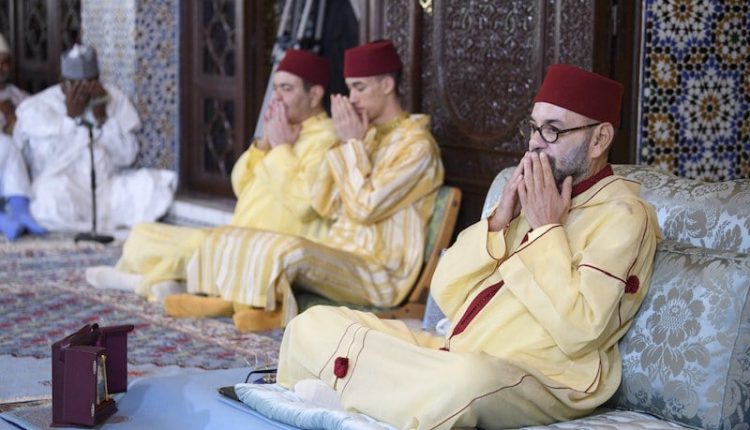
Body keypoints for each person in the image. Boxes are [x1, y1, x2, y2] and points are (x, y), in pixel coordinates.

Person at [275, 64, 662, 429]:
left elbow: (581, 330)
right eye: (533, 128)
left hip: (538, 376)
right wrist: (498, 223)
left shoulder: (624, 216)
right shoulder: (533, 191)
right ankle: (375, 398)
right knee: (309, 325)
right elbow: (446, 291)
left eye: (553, 131)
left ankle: (346, 392)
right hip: (453, 350)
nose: (535, 144)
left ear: (600, 139)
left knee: (464, 381)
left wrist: (547, 229)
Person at [165, 40, 444, 332]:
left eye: (359, 88)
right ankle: (234, 301)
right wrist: (345, 143)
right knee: (233, 235)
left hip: (380, 272)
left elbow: (365, 207)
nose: (352, 98)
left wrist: (351, 145)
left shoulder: (417, 147)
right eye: (349, 88)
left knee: (286, 248)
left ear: (386, 85)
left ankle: (270, 309)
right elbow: (324, 203)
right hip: (341, 252)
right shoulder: (367, 135)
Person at [85, 49, 338, 301]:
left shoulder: (327, 139)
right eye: (275, 88)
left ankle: (141, 283)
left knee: (192, 247)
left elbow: (306, 203)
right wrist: (264, 146)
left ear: (315, 94)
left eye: (287, 89)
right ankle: (176, 283)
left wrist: (282, 149)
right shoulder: (282, 130)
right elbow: (240, 185)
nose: (277, 98)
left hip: (272, 246)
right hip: (239, 235)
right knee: (142, 233)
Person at [12, 44, 176, 232]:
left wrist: (102, 119)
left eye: (90, 82)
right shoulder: (39, 107)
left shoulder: (113, 98)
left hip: (107, 188)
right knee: (49, 199)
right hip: (66, 187)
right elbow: (44, 164)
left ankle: (98, 223)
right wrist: (70, 119)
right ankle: (88, 225)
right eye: (76, 84)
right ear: (62, 81)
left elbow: (127, 157)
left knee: (151, 189)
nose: (84, 90)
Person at [0, 33, 46, 240]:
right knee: (5, 145)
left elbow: (37, 128)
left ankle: (20, 211)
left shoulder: (19, 97)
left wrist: (13, 118)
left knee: (8, 148)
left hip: (15, 164)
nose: (2, 68)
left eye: (5, 62)